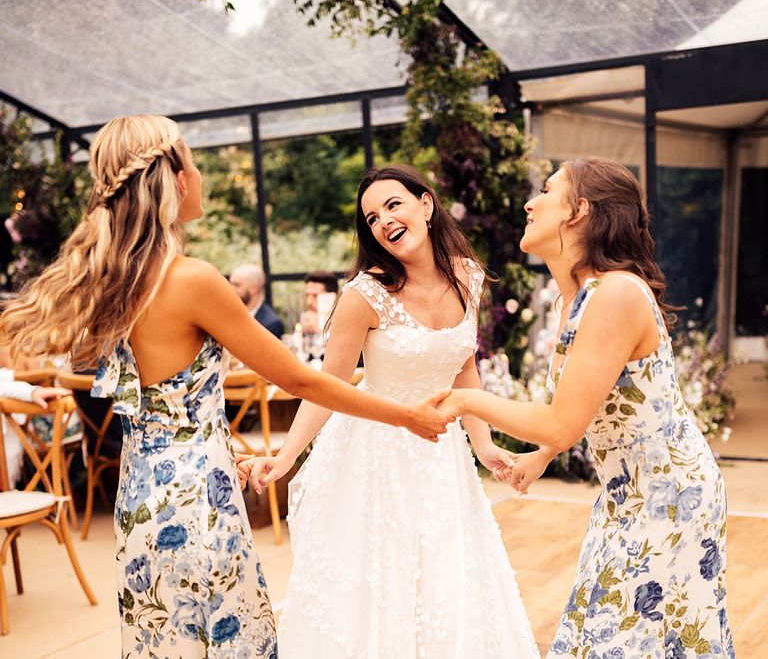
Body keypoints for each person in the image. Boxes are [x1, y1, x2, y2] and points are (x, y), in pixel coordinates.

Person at [0, 117, 451, 659]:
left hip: (141, 499)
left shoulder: (113, 280)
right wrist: (405, 415)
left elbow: (161, 402)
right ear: (175, 180)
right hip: (199, 507)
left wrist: (220, 443)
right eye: (192, 161)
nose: (199, 173)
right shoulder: (191, 279)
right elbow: (300, 378)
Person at [240, 164, 541, 658]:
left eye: (393, 205)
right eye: (372, 217)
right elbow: (326, 387)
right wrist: (287, 454)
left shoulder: (468, 276)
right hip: (374, 461)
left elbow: (462, 364)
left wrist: (483, 445)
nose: (383, 221)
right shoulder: (365, 295)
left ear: (426, 205)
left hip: (442, 459)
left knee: (446, 581)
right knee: (382, 589)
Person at [441, 158, 734, 657]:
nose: (530, 203)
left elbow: (562, 419)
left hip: (668, 499)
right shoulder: (575, 299)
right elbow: (589, 408)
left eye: (547, 191)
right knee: (601, 632)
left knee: (625, 638)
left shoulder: (616, 293)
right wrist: (541, 456)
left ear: (579, 211)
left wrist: (465, 399)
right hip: (627, 495)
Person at [229, 263, 284, 338]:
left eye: (236, 285)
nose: (230, 289)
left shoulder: (271, 324)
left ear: (253, 288)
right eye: (230, 284)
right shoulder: (230, 315)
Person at [299, 270, 338, 335]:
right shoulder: (307, 318)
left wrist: (319, 329)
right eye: (307, 295)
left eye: (315, 296)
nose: (309, 302)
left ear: (332, 296)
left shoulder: (342, 319)